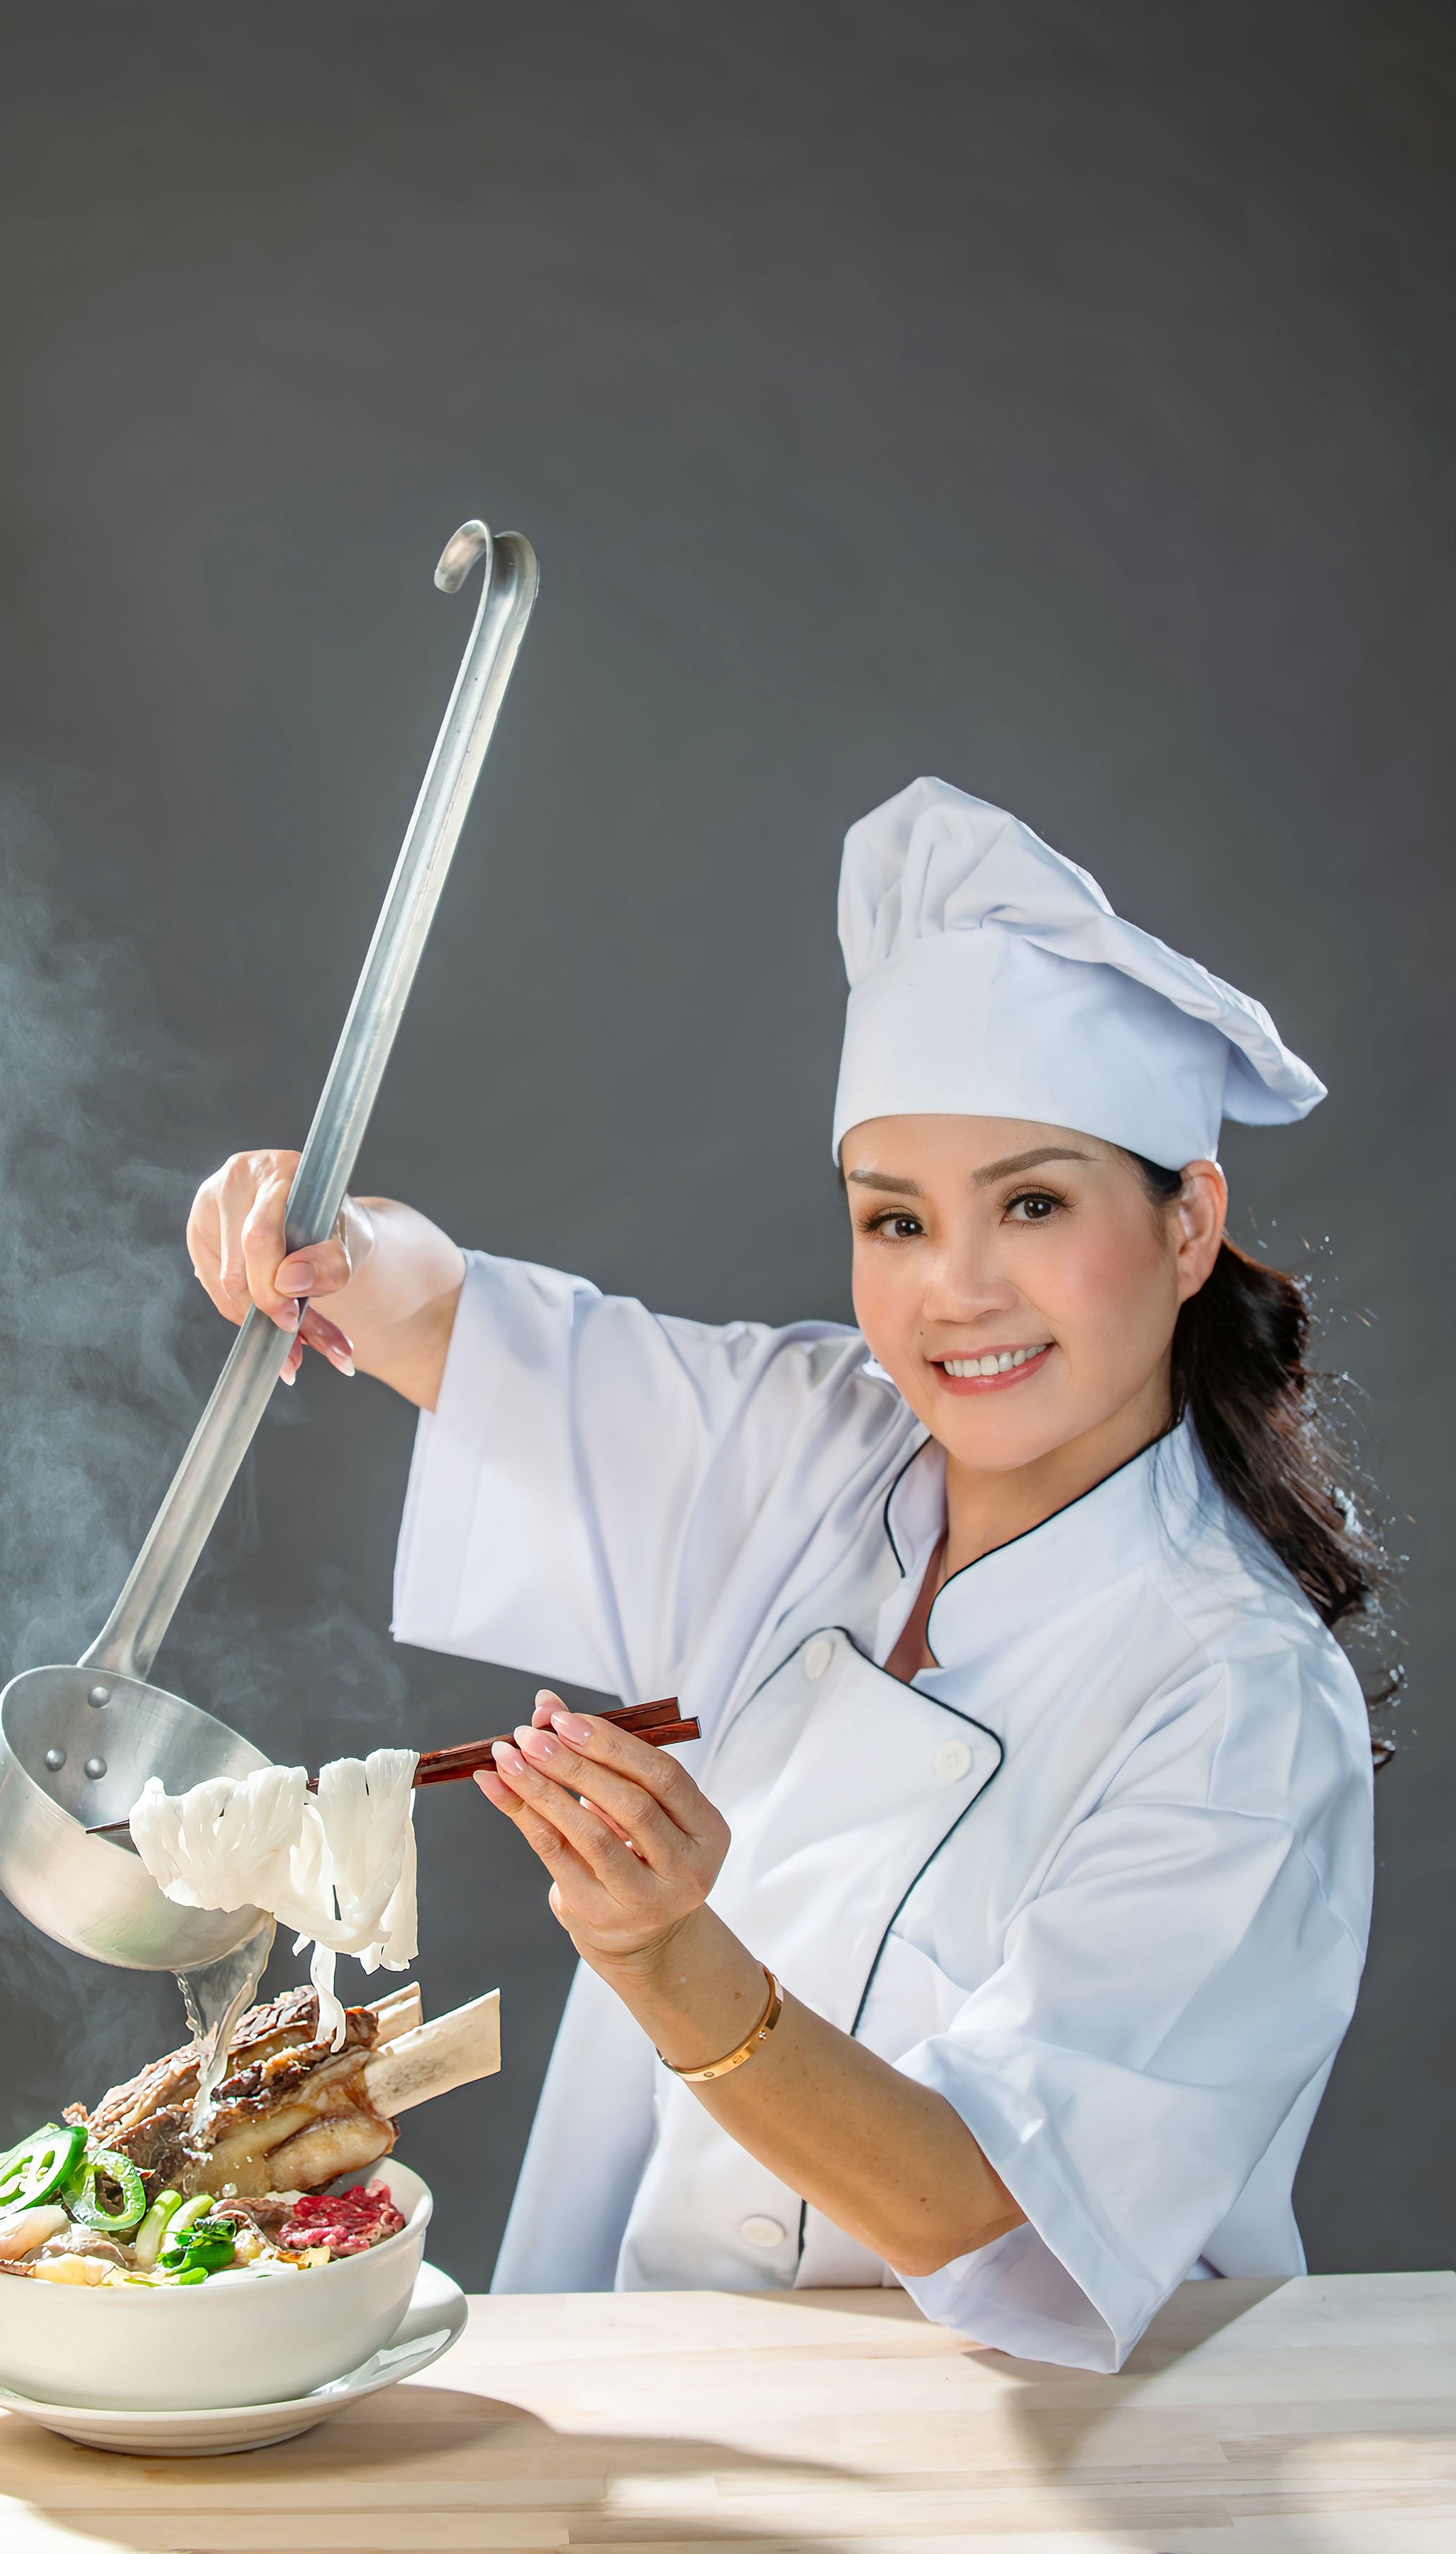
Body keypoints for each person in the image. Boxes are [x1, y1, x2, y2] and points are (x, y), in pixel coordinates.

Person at [187, 775, 1379, 2372]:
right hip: (685, 2408)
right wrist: (317, 1234)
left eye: (1032, 1203)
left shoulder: (1235, 1697)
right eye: (895, 1222)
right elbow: (446, 1319)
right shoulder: (812, 1439)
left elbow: (988, 2207)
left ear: (1186, 1227)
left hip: (1055, 2456)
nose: (957, 1291)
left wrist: (670, 1960)